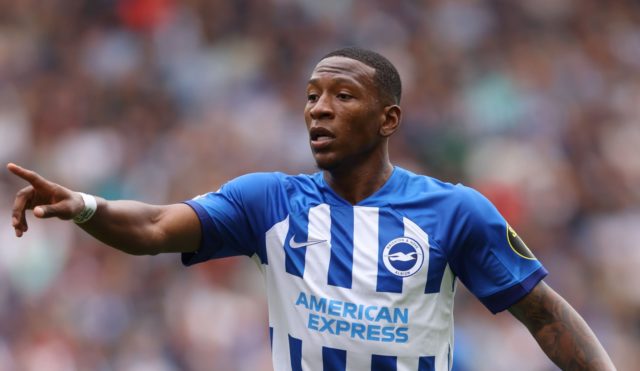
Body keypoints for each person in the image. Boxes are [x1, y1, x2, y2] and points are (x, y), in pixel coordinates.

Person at [8, 47, 615, 371]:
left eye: (342, 95)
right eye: (311, 96)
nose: (318, 109)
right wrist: (85, 205)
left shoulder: (454, 211)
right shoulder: (267, 200)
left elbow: (543, 316)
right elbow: (153, 227)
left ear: (388, 119)